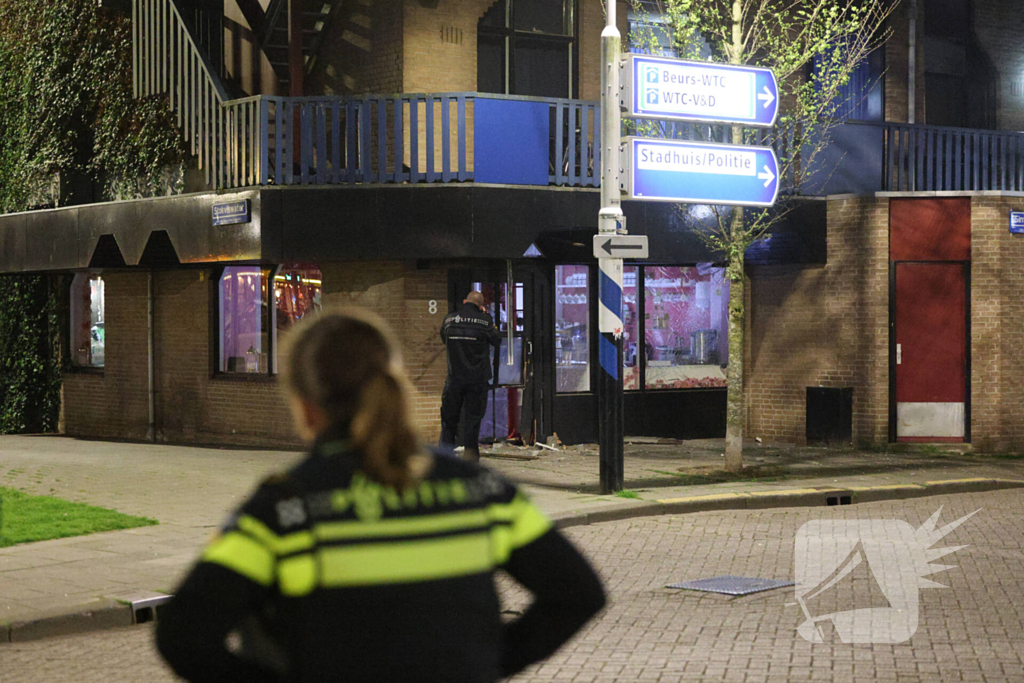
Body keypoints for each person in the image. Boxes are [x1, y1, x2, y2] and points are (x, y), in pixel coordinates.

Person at [155, 308, 605, 683]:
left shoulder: (286, 509)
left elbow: (182, 636)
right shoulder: (481, 491)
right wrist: (489, 660)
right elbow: (578, 593)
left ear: (306, 405)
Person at [439, 290, 501, 461]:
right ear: (481, 306)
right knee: (472, 422)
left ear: (465, 301)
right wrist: (489, 319)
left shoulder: (449, 319)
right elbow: (497, 340)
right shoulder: (484, 321)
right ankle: (470, 459)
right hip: (477, 379)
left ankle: (444, 459)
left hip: (454, 378)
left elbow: (444, 338)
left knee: (449, 421)